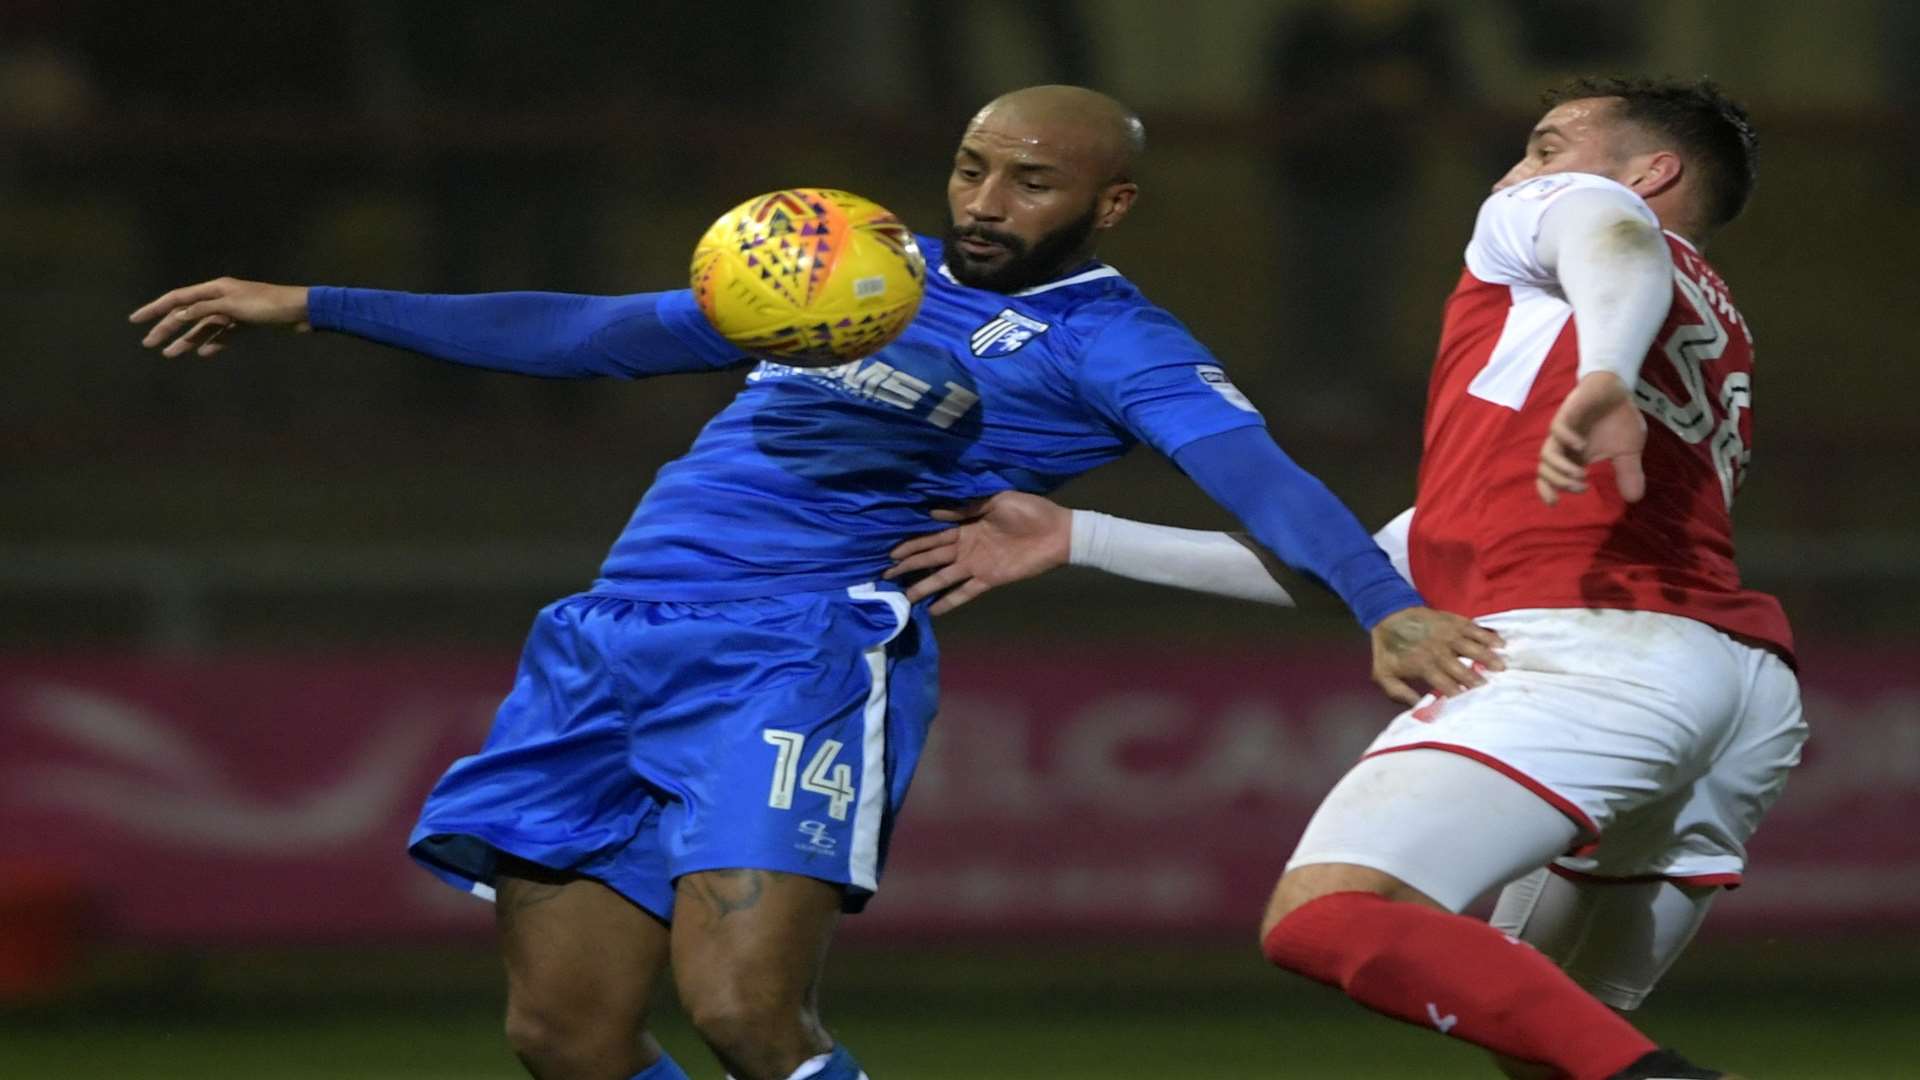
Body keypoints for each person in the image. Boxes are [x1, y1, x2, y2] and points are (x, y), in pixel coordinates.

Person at [127, 85, 1498, 1080]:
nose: (983, 200)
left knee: (742, 1014)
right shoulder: (860, 267)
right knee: (564, 1038)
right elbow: (597, 333)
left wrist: (1385, 606)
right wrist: (314, 302)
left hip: (796, 648)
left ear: (1109, 201)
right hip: (611, 639)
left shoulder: (1113, 341)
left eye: (1028, 181)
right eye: (972, 167)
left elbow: (1256, 477)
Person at [885, 77, 1803, 1080]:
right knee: (1557, 1045)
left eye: (1542, 146)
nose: (1516, 174)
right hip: (1737, 686)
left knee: (1330, 914)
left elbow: (1606, 230)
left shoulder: (1569, 232)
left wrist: (1608, 373)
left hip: (1590, 652)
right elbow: (1376, 568)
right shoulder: (1706, 340)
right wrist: (1082, 537)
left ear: (1652, 171)